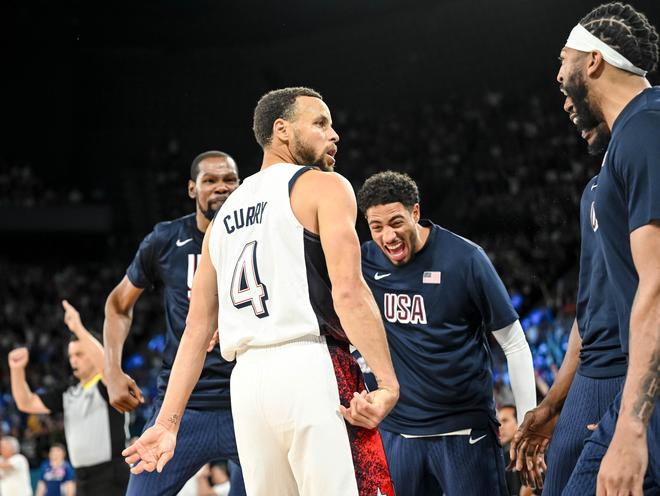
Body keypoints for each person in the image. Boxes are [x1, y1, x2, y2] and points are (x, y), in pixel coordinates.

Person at [123, 86, 400, 496]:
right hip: (311, 367)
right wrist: (388, 384)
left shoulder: (223, 217)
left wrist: (166, 423)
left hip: (248, 385)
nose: (334, 134)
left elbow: (196, 331)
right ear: (282, 130)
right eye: (320, 123)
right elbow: (349, 292)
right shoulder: (324, 186)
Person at [356, 170, 536, 496]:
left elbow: (514, 343)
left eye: (396, 223)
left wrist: (526, 425)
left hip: (464, 432)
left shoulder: (466, 259)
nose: (388, 237)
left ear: (415, 212)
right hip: (398, 434)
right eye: (377, 227)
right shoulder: (365, 260)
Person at [553, 3, 660, 494]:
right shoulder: (633, 134)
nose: (559, 76)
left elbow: (656, 287)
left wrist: (632, 429)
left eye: (563, 61)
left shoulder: (645, 128)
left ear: (593, 60)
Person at [103, 150, 245, 496]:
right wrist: (112, 370)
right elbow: (118, 305)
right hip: (183, 405)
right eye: (210, 180)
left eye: (229, 180)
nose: (221, 187)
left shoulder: (258, 237)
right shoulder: (166, 239)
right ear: (192, 188)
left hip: (247, 398)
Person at [509, 171, 627, 495]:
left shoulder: (645, 166)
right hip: (588, 378)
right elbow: (586, 308)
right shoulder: (592, 190)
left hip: (629, 373)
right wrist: (551, 403)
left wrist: (636, 405)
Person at [8, 301, 129, 496]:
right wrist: (16, 370)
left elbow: (108, 368)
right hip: (81, 477)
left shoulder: (108, 384)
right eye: (71, 355)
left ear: (93, 352)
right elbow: (26, 403)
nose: (73, 360)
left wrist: (78, 328)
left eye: (79, 354)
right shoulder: (67, 391)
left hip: (112, 475)